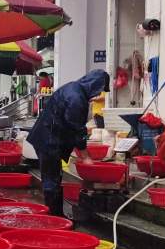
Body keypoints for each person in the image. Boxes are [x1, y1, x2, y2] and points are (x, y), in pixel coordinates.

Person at [27, 70, 110, 215]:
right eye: (99, 90)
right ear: (95, 85)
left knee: (53, 177)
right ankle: (54, 219)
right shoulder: (77, 98)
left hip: (48, 137)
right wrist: (85, 156)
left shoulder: (74, 89)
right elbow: (77, 128)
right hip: (49, 140)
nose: (98, 94)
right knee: (51, 180)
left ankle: (56, 215)